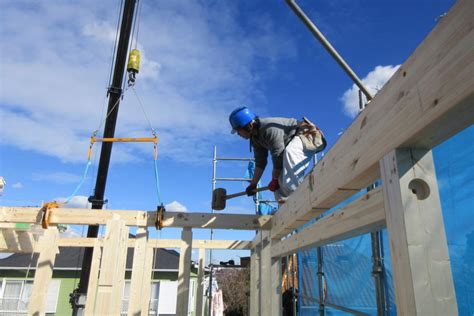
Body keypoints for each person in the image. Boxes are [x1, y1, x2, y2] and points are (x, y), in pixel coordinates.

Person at [229, 107, 326, 202]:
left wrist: (274, 179)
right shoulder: (255, 139)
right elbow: (260, 163)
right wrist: (253, 185)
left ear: (247, 126)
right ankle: (284, 207)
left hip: (308, 134)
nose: (238, 134)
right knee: (279, 185)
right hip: (292, 144)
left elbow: (278, 156)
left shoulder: (268, 128)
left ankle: (296, 199)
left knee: (289, 154)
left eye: (238, 130)